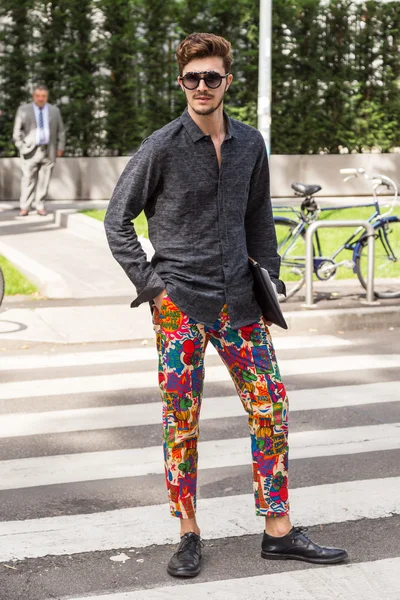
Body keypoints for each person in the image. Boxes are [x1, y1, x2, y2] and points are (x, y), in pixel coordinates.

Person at [105, 32, 348, 578]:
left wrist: (271, 282)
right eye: (192, 78)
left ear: (226, 82)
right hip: (181, 306)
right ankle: (188, 531)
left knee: (271, 407)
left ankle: (278, 530)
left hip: (240, 302)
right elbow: (116, 221)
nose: (201, 87)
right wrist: (154, 287)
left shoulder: (250, 144)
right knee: (182, 420)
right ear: (181, 82)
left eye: (211, 77)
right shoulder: (161, 147)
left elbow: (259, 219)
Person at [13, 84, 65, 216]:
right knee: (27, 179)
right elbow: (17, 131)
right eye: (38, 96)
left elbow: (61, 131)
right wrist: (21, 146)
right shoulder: (23, 109)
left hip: (49, 150)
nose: (40, 98)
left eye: (43, 96)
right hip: (30, 151)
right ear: (33, 96)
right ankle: (25, 206)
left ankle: (40, 206)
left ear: (46, 97)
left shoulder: (54, 110)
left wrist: (60, 147)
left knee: (44, 180)